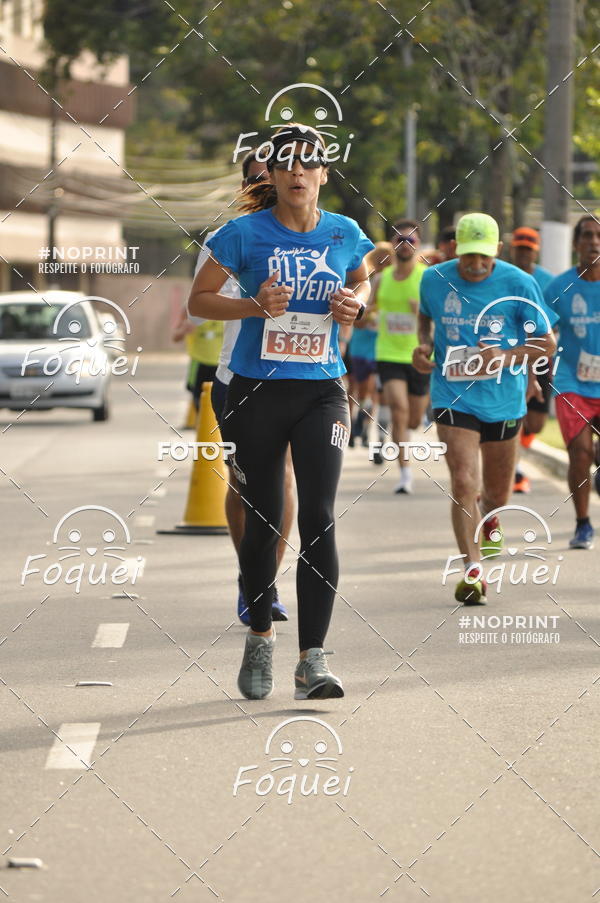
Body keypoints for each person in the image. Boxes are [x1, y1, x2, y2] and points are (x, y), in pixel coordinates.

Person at [188, 124, 374, 699]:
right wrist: (253, 303)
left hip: (321, 390)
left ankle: (312, 659)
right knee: (264, 518)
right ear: (270, 173)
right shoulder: (242, 234)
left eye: (309, 163)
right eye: (286, 163)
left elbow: (362, 284)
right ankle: (261, 635)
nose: (298, 172)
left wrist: (354, 304)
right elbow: (199, 300)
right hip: (253, 392)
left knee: (318, 515)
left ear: (323, 173)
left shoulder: (344, 232)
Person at [413, 212, 557, 604]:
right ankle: (473, 572)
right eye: (468, 257)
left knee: (496, 495)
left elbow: (547, 343)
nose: (475, 266)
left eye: (484, 258)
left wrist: (507, 356)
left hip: (504, 400)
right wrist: (424, 347)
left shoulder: (518, 283)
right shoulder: (434, 278)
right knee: (463, 482)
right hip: (452, 395)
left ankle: (490, 519)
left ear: (497, 250)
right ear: (455, 249)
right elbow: (425, 317)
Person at [191, 149, 293, 624]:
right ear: (246, 185)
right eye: (256, 180)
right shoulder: (225, 239)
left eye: (271, 179)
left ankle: (266, 584)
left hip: (296, 377)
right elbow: (199, 306)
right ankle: (249, 575)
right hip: (237, 378)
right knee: (246, 484)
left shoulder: (314, 236)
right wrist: (255, 304)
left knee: (286, 479)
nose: (266, 188)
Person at [545, 215, 600, 549]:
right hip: (571, 381)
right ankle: (583, 523)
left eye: (599, 236)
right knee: (579, 453)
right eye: (588, 236)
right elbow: (539, 328)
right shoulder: (559, 286)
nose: (595, 242)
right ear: (576, 244)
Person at [369, 219, 430, 494]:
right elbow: (367, 310)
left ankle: (405, 446)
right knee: (399, 410)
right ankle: (405, 474)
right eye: (400, 240)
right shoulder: (382, 279)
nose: (405, 245)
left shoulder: (426, 278)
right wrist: (366, 315)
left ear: (418, 246)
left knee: (414, 419)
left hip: (418, 355)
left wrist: (421, 311)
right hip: (388, 353)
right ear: (393, 245)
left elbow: (439, 315)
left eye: (411, 241)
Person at [510, 227, 555, 493]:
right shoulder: (504, 275)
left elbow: (554, 322)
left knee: (536, 421)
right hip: (509, 356)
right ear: (513, 249)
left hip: (539, 355)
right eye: (520, 248)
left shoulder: (548, 281)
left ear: (535, 251)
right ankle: (514, 468)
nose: (524, 253)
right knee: (515, 411)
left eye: (529, 248)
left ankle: (517, 453)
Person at [346, 244, 391, 447]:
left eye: (387, 258)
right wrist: (368, 313)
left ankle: (362, 425)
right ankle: (351, 423)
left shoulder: (391, 281)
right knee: (356, 388)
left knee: (371, 388)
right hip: (358, 342)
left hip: (378, 344)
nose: (384, 262)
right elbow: (354, 317)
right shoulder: (363, 279)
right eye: (381, 258)